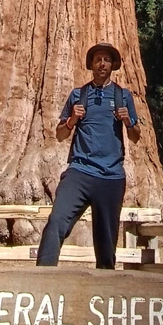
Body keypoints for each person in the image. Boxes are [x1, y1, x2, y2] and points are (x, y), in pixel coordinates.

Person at [36, 42, 141, 268]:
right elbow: (61, 134)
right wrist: (72, 120)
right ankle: (42, 278)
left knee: (106, 245)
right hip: (80, 172)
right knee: (56, 221)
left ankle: (104, 290)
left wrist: (127, 121)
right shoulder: (78, 95)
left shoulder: (123, 96)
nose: (102, 64)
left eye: (106, 60)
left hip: (111, 178)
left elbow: (135, 136)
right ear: (91, 65)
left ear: (113, 65)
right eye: (97, 60)